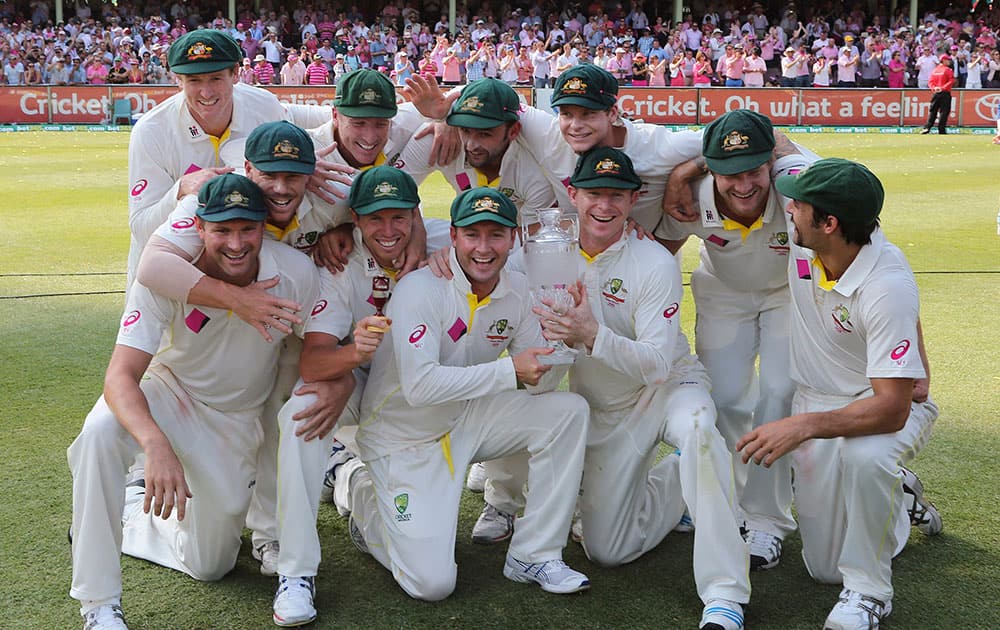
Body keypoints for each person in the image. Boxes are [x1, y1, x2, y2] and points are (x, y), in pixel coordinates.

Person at [67, 173, 320, 630]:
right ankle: (99, 605)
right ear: (199, 228)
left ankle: (128, 514)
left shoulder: (294, 274)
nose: (237, 243)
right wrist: (154, 444)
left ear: (264, 227)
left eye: (247, 228)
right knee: (100, 433)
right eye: (222, 229)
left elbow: (317, 351)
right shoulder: (170, 274)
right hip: (171, 392)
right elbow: (120, 375)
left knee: (211, 564)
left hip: (235, 420)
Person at [331, 187, 592, 600]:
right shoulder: (420, 289)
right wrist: (510, 370)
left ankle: (535, 553)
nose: (484, 248)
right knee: (432, 585)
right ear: (453, 237)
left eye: (496, 235)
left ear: (515, 239)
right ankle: (360, 489)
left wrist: (568, 338)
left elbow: (540, 383)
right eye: (473, 235)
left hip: (468, 421)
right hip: (404, 438)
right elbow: (420, 388)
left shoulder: (520, 290)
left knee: (568, 411)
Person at [529, 147, 750, 630]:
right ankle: (677, 482)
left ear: (633, 202)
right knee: (609, 551)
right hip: (605, 406)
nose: (603, 206)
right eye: (593, 194)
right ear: (573, 195)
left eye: (616, 196)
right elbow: (471, 245)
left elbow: (653, 363)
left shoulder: (653, 262)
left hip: (669, 385)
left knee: (698, 430)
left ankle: (725, 592)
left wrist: (591, 334)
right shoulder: (547, 253)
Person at [737, 158, 941, 630]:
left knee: (867, 459)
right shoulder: (813, 239)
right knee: (825, 568)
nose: (788, 207)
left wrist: (800, 425)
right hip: (819, 397)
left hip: (882, 406)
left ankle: (870, 591)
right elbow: (781, 142)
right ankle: (900, 495)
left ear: (829, 223)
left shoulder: (885, 284)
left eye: (801, 204)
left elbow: (891, 410)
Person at [655, 110, 815, 571]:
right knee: (722, 399)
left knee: (780, 391)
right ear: (711, 169)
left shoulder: (797, 185)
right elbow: (659, 247)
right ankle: (726, 501)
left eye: (753, 171)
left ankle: (766, 519)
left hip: (786, 292)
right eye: (729, 174)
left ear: (771, 164)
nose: (743, 186)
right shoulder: (692, 193)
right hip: (723, 294)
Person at [125, 30, 330, 293]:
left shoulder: (263, 106)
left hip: (245, 268)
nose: (206, 92)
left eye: (215, 78)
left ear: (236, 74)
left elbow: (307, 121)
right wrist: (180, 189)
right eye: (194, 80)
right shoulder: (151, 131)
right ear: (178, 80)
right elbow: (141, 228)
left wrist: (301, 168)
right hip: (176, 277)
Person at [921, 55, 954, 135]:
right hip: (945, 93)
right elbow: (951, 81)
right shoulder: (948, 70)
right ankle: (941, 129)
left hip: (936, 93)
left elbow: (930, 82)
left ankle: (927, 127)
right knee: (944, 111)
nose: (949, 62)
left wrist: (934, 88)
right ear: (943, 60)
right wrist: (942, 88)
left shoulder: (935, 70)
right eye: (948, 60)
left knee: (933, 111)